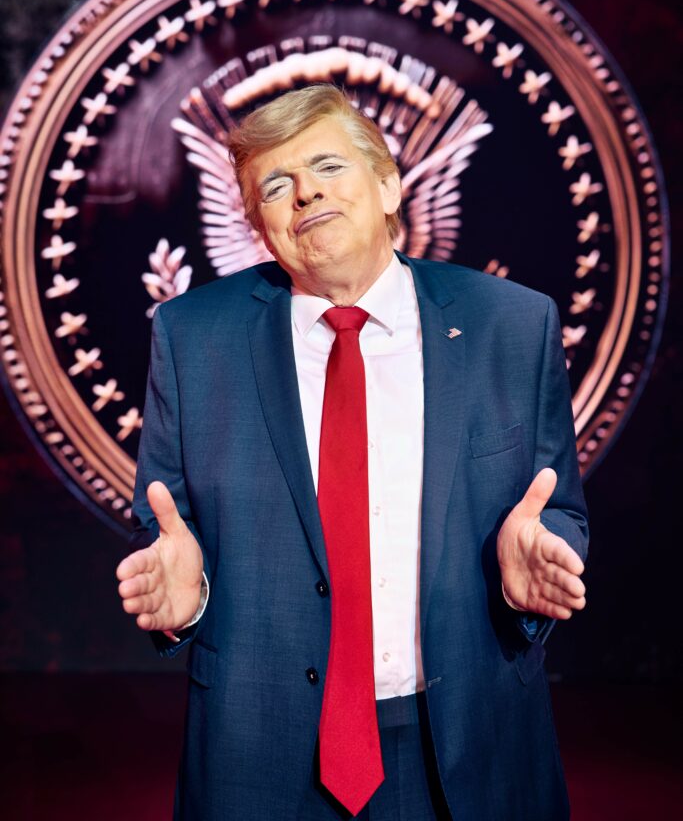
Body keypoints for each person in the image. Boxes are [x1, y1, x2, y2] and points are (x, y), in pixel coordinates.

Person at [116, 84, 588, 820]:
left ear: (390, 186)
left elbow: (556, 510)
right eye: (276, 186)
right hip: (259, 758)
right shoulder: (192, 337)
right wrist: (189, 595)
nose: (306, 192)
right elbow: (165, 526)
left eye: (329, 166)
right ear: (260, 228)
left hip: (470, 749)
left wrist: (530, 568)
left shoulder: (512, 324)